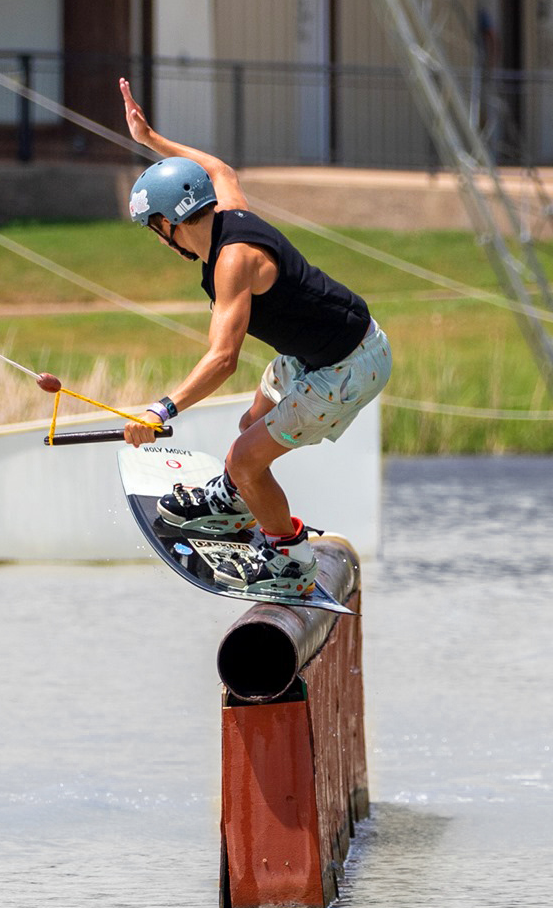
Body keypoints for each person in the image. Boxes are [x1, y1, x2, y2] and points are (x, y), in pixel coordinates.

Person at [116, 77, 391, 598]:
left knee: (246, 457)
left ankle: (288, 558)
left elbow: (223, 359)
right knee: (251, 424)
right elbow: (219, 169)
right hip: (318, 352)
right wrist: (151, 139)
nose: (156, 239)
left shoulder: (233, 260)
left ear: (169, 223)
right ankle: (237, 499)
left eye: (154, 227)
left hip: (348, 367)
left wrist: (161, 411)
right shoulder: (224, 210)